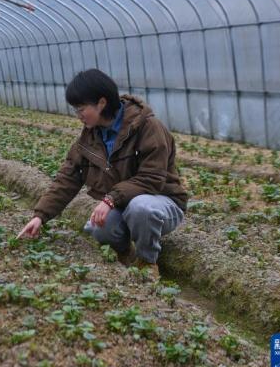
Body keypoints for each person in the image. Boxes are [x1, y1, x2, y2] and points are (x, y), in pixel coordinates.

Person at [17, 69, 187, 279]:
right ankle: (124, 254)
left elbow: (151, 179)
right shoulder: (89, 139)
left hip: (161, 202)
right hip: (122, 204)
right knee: (99, 227)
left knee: (141, 207)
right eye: (75, 110)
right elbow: (67, 179)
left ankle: (147, 262)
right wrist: (40, 217)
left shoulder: (148, 128)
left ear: (102, 103)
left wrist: (109, 199)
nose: (78, 116)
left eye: (81, 109)